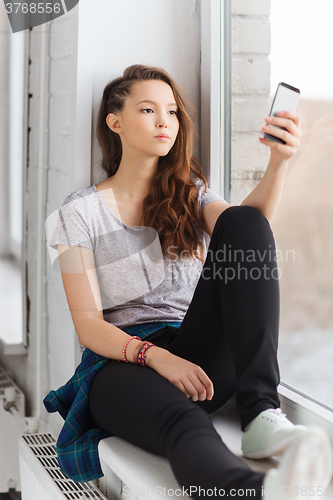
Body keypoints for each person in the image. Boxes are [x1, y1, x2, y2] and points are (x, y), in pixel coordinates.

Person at [44, 65, 333, 500]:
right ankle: (262, 494)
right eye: (148, 109)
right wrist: (158, 358)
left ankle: (261, 414)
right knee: (186, 425)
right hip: (122, 366)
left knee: (242, 220)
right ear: (115, 121)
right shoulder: (79, 212)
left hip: (197, 353)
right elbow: (89, 327)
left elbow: (247, 231)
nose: (165, 122)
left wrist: (279, 162)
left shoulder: (190, 192)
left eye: (173, 112)